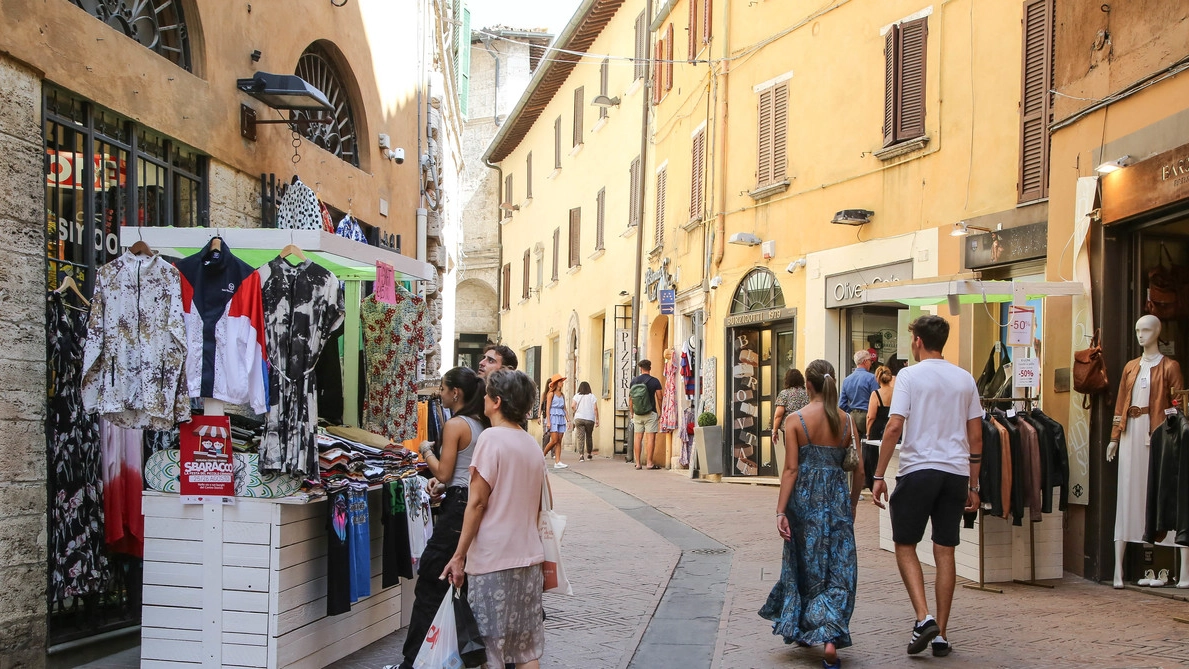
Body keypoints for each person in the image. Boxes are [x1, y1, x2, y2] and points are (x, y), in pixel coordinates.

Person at [871, 315, 982, 658]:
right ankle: (941, 636)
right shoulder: (965, 379)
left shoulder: (909, 375)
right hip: (955, 473)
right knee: (944, 550)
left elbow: (893, 427)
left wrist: (877, 476)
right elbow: (975, 435)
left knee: (905, 544)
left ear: (918, 341)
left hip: (919, 469)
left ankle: (923, 618)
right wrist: (974, 485)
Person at [442, 370, 547, 669]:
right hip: (528, 560)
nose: (483, 399)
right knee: (526, 651)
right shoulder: (531, 444)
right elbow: (539, 505)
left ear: (497, 402)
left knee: (490, 652)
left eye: (487, 395)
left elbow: (476, 503)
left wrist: (459, 555)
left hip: (492, 561)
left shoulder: (490, 439)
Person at [760, 359, 860, 669]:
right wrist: (853, 504)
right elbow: (860, 471)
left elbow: (790, 469)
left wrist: (780, 511)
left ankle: (808, 626)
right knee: (838, 569)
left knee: (805, 565)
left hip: (803, 501)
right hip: (837, 502)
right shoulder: (847, 421)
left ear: (808, 387)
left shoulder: (795, 420)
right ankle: (830, 638)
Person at [399, 367, 488, 669]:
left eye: (443, 387)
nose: (439, 392)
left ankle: (414, 661)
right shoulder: (480, 424)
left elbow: (444, 473)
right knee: (450, 577)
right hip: (468, 501)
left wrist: (425, 450)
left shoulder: (455, 425)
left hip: (457, 506)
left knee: (432, 577)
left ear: (456, 393)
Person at [862, 365, 895, 491]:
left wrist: (868, 432)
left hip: (878, 428)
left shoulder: (876, 394)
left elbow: (871, 416)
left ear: (878, 378)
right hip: (892, 425)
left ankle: (875, 486)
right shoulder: (896, 392)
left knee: (874, 459)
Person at [629, 359, 664, 470]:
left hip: (638, 413)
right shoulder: (655, 381)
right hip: (651, 412)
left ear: (640, 368)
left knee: (638, 438)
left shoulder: (634, 381)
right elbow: (659, 397)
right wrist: (661, 411)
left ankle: (638, 463)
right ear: (650, 368)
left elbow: (630, 399)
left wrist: (632, 412)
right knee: (651, 438)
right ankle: (649, 463)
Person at [838, 350, 879, 443]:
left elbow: (841, 404)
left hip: (853, 417)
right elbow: (877, 400)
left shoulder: (847, 380)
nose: (871, 363)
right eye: (870, 361)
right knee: (870, 446)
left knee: (855, 446)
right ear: (865, 361)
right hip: (867, 415)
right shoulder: (872, 378)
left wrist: (851, 412)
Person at [771, 368, 810, 446]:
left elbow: (778, 415)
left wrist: (774, 431)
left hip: (790, 430)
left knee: (791, 454)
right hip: (806, 429)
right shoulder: (807, 393)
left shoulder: (784, 394)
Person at [541, 374, 568, 469]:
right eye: (560, 382)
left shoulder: (562, 395)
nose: (562, 383)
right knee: (554, 440)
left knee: (559, 441)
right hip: (553, 417)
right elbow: (547, 408)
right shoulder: (550, 394)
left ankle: (558, 461)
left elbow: (564, 408)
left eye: (562, 381)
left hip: (561, 417)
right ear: (556, 383)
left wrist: (568, 419)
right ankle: (542, 455)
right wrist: (548, 421)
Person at [571, 381, 598, 462]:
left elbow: (572, 405)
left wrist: (576, 411)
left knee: (580, 437)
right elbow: (595, 408)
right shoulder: (592, 396)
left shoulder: (577, 396)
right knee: (589, 436)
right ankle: (589, 454)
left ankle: (581, 455)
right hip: (590, 419)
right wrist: (597, 420)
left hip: (579, 418)